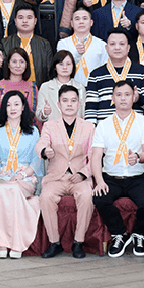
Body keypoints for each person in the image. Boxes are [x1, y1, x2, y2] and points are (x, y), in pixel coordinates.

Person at [94, 80, 144, 257]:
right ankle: (120, 234)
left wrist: (138, 157)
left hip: (136, 177)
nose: (123, 98)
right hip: (111, 177)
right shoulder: (103, 124)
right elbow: (96, 156)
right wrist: (99, 181)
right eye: (119, 95)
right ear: (112, 98)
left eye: (127, 94)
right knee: (100, 199)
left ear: (134, 97)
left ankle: (139, 235)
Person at [35, 85, 98, 258]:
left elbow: (94, 156)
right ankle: (54, 242)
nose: (69, 104)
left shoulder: (89, 127)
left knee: (86, 196)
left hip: (80, 176)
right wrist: (45, 151)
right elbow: (41, 143)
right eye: (65, 101)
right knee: (46, 197)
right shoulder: (49, 126)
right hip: (56, 177)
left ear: (79, 103)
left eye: (73, 101)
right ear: (59, 104)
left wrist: (84, 173)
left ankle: (78, 242)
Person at [0, 90, 43, 258]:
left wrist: (22, 176)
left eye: (16, 104)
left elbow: (36, 160)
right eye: (8, 105)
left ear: (23, 107)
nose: (12, 108)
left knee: (13, 190)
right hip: (0, 174)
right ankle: (1, 242)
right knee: (3, 189)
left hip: (25, 176)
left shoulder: (33, 131)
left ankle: (16, 243)